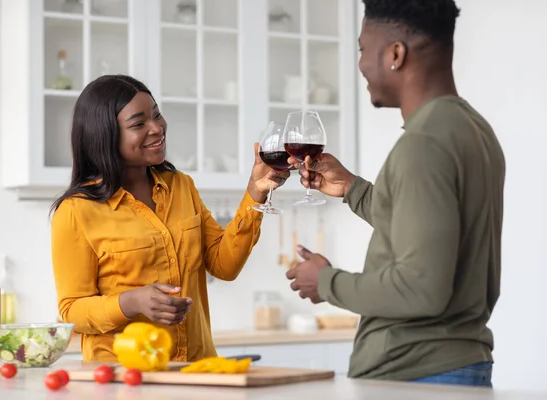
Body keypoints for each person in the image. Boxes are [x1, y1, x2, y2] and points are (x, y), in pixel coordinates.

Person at [286, 0, 505, 388]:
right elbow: (428, 229)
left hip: (418, 373)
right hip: (452, 365)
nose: (360, 65)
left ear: (395, 54)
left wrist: (326, 282)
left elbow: (420, 289)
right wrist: (353, 189)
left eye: (362, 50)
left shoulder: (424, 144)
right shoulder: (470, 129)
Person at [50, 74, 290, 362]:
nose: (157, 128)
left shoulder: (181, 186)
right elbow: (72, 310)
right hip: (126, 379)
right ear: (105, 135)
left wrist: (256, 192)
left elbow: (224, 265)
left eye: (157, 115)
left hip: (197, 369)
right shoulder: (76, 211)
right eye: (139, 123)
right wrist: (132, 302)